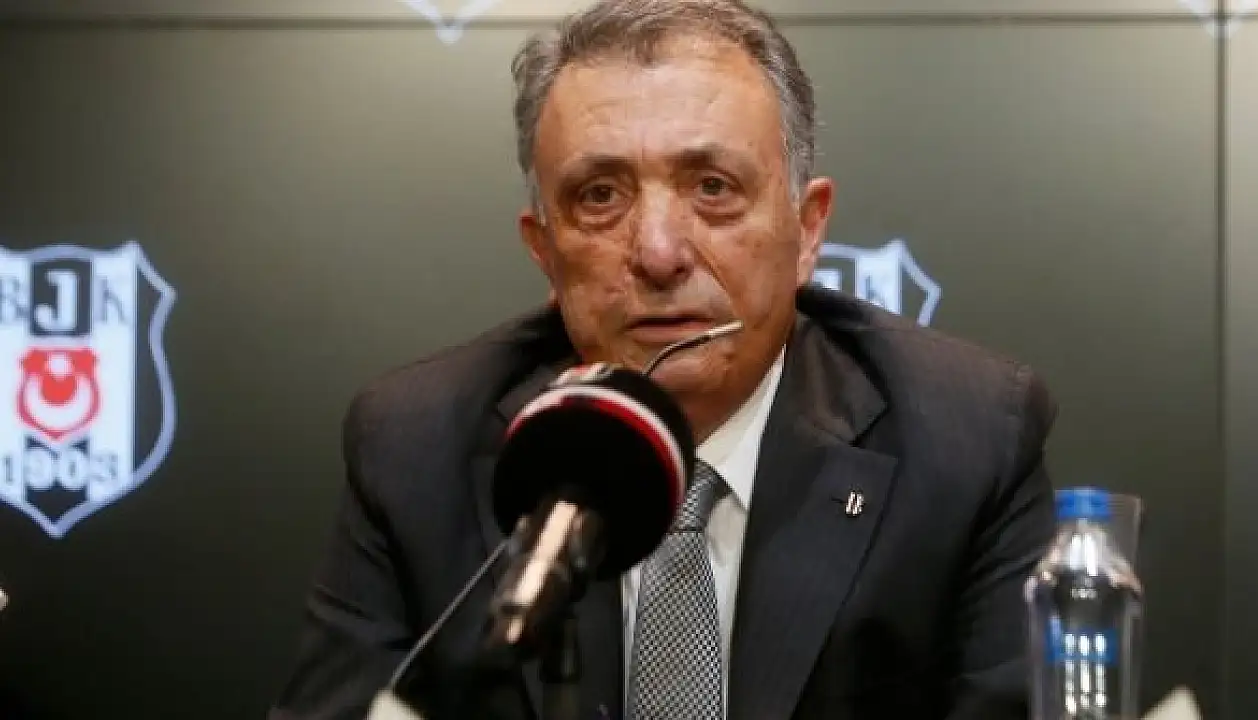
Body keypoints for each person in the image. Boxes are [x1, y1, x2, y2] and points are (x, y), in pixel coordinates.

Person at [268, 1, 1057, 718]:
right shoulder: (416, 446)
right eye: (600, 196)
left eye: (712, 187)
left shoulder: (964, 440)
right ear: (545, 251)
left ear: (807, 229)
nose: (657, 252)